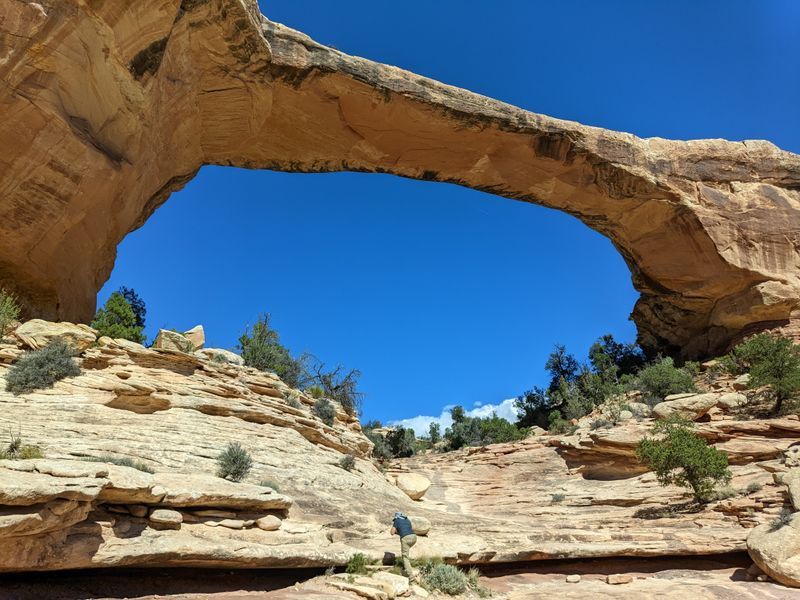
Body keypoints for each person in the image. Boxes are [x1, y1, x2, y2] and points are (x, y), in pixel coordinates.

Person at [391, 511, 417, 581]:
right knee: (406, 552)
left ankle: (411, 576)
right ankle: (407, 566)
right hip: (414, 537)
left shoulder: (396, 520)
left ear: (396, 517)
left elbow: (392, 532)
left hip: (405, 538)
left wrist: (396, 530)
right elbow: (408, 529)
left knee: (405, 557)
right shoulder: (407, 520)